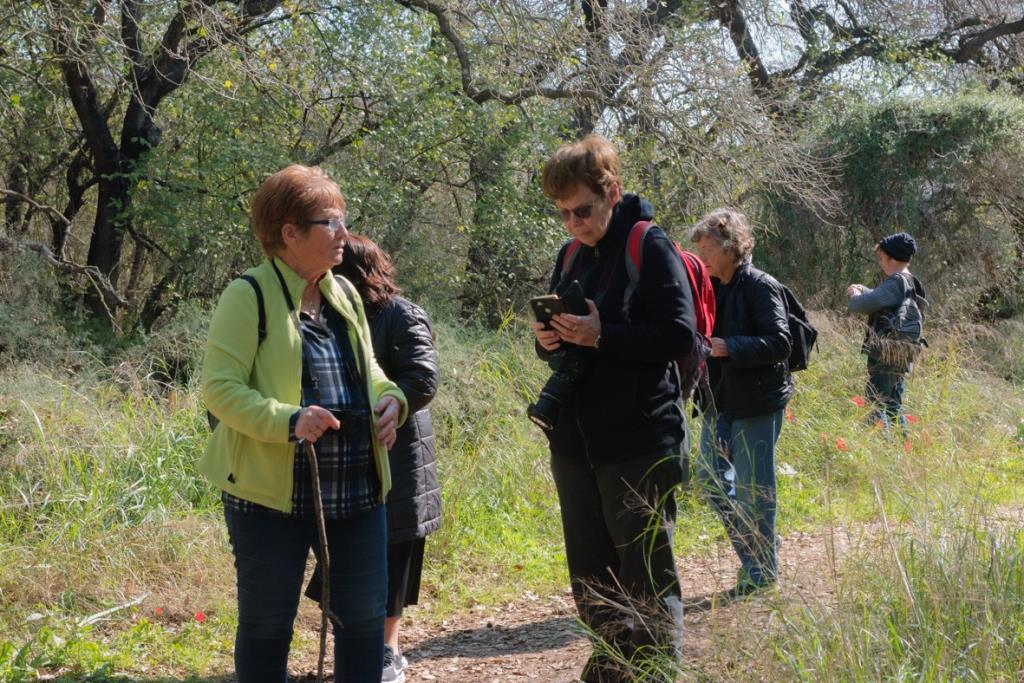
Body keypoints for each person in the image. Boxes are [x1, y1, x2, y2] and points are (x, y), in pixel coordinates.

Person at [201, 164, 408, 683]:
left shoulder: (343, 293)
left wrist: (392, 401)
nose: (344, 233)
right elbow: (219, 390)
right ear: (289, 233)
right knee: (268, 626)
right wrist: (289, 420)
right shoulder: (246, 295)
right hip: (270, 497)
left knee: (362, 623)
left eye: (342, 219)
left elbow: (372, 372)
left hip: (358, 490)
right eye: (329, 222)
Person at [530, 135, 696, 682]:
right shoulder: (571, 253)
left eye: (583, 209)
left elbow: (678, 335)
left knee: (645, 571)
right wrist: (548, 339)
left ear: (612, 192)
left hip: (640, 438)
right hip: (576, 442)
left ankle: (652, 673)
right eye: (562, 214)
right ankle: (610, 668)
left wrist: (605, 336)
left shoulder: (649, 246)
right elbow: (563, 338)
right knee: (592, 575)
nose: (573, 223)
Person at [308, 234, 440, 683]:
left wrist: (391, 404)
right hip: (343, 460)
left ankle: (387, 650)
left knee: (394, 553)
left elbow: (422, 377)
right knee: (347, 555)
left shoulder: (401, 315)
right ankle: (357, 644)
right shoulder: (324, 315)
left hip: (399, 456)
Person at [689, 208, 792, 597]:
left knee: (753, 489)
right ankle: (760, 548)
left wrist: (730, 347)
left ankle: (760, 570)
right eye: (697, 249)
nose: (701, 258)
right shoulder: (709, 287)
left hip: (757, 403)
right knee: (712, 483)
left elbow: (780, 343)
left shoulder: (760, 285)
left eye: (707, 249)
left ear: (731, 247)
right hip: (718, 402)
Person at [846, 231, 928, 434]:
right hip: (903, 353)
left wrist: (856, 293)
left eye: (882, 258)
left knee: (875, 404)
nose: (881, 263)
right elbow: (879, 297)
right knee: (893, 405)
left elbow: (860, 305)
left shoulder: (895, 281)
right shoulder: (912, 281)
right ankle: (901, 447)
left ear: (892, 258)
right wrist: (864, 289)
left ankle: (876, 447)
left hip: (885, 353)